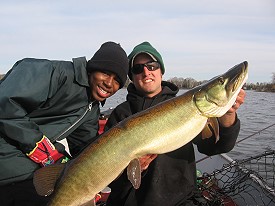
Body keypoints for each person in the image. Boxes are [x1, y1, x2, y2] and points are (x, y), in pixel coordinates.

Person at [104, 41, 246, 206]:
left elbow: (217, 147)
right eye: (137, 68)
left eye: (152, 65)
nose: (146, 72)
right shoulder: (121, 114)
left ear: (161, 71)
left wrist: (229, 112)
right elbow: (109, 178)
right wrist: (131, 170)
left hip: (179, 201)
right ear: (132, 76)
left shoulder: (189, 106)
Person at [0, 41, 129, 206]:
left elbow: (84, 148)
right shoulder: (55, 73)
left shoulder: (91, 108)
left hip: (29, 173)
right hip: (7, 167)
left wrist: (92, 180)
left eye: (117, 80)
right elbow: (5, 103)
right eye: (105, 73)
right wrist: (39, 146)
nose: (109, 83)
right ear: (92, 68)